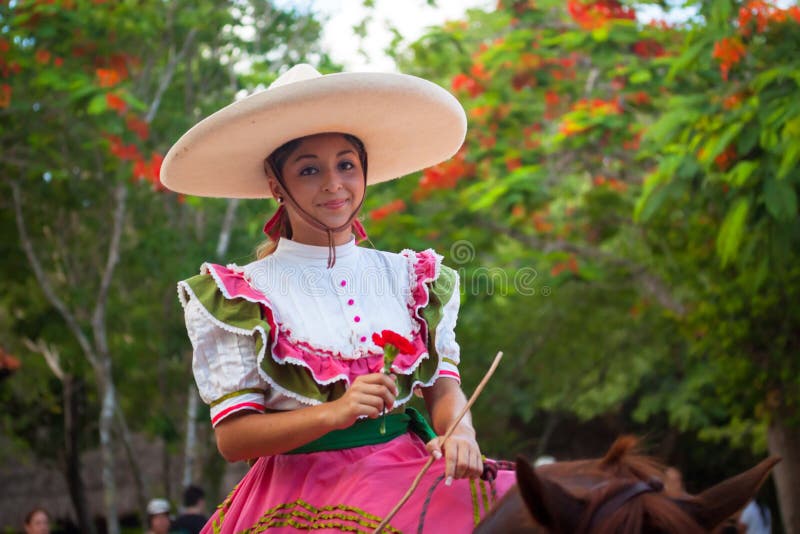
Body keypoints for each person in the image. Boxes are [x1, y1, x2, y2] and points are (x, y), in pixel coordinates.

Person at [162, 63, 515, 533]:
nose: (333, 183)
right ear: (276, 185)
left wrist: (460, 433)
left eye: (346, 164)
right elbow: (233, 438)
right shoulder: (239, 295)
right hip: (304, 492)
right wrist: (337, 412)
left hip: (408, 470)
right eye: (309, 169)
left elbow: (444, 390)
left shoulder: (412, 278)